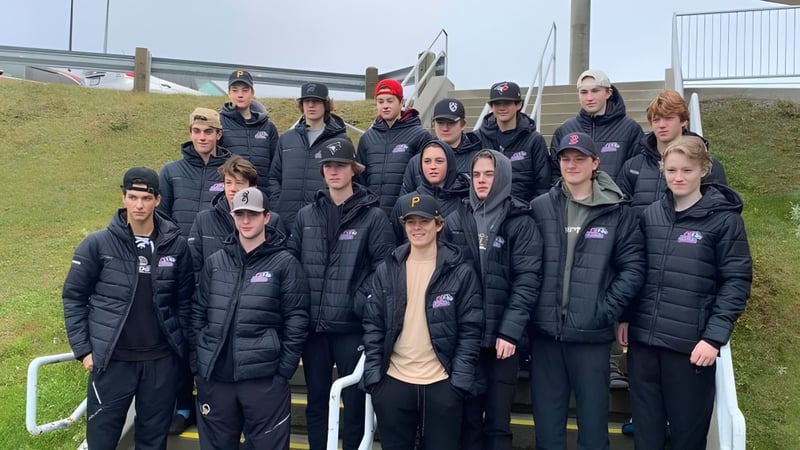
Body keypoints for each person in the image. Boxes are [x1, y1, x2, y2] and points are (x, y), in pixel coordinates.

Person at [618, 136, 752, 450]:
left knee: (687, 439)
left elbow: (736, 282)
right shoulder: (650, 215)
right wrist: (626, 317)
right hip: (644, 346)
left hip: (690, 350)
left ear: (704, 170)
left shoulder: (725, 221)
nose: (679, 177)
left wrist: (713, 338)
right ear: (662, 170)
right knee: (646, 438)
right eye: (672, 170)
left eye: (687, 170)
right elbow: (637, 270)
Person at [62, 167, 194, 450]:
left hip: (160, 363)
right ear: (123, 197)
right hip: (112, 362)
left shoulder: (176, 246)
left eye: (146, 198)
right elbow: (73, 297)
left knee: (152, 442)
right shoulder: (97, 245)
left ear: (158, 200)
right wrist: (84, 351)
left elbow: (184, 302)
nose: (139, 205)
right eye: (132, 197)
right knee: (101, 441)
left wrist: (179, 350)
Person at [528, 132, 646, 450]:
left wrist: (604, 310)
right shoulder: (540, 207)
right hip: (545, 336)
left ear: (595, 163)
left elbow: (633, 268)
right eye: (566, 158)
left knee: (593, 431)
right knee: (547, 431)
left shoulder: (617, 211)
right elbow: (527, 265)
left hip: (591, 337)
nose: (571, 164)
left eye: (579, 158)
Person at [287, 137, 394, 450]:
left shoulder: (373, 217)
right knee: (317, 399)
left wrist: (357, 303)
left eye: (340, 165)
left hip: (351, 327)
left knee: (354, 399)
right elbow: (291, 265)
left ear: (353, 170)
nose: (334, 171)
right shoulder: (307, 215)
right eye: (328, 165)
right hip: (315, 329)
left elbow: (383, 269)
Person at [363, 194, 484, 450]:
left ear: (439, 225)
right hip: (394, 381)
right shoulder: (388, 269)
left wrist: (458, 384)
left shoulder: (460, 271)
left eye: (424, 221)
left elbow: (470, 330)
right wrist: (375, 380)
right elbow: (373, 324)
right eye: (411, 222)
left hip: (441, 384)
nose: (417, 228)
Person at [191, 187, 309, 450]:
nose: (246, 221)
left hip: (264, 379)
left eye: (253, 214)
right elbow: (198, 314)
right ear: (232, 216)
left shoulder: (285, 263)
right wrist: (198, 363)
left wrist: (283, 371)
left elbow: (297, 320)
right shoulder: (215, 262)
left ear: (266, 217)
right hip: (216, 379)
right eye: (240, 213)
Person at [444, 150, 543, 450]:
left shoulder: (521, 220)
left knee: (498, 424)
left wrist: (509, 331)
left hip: (503, 341)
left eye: (489, 174)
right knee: (469, 420)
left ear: (502, 176)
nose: (482, 181)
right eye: (476, 175)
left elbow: (527, 279)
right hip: (466, 338)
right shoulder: (455, 218)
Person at [618, 89, 728, 212]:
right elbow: (620, 212)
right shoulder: (633, 166)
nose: (661, 125)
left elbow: (720, 211)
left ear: (683, 121)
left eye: (668, 118)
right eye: (656, 120)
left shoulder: (708, 166)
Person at [268, 82, 350, 229]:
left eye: (316, 101)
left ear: (326, 104)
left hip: (324, 222)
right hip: (286, 222)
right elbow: (274, 176)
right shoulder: (286, 139)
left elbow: (351, 179)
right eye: (307, 101)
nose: (311, 105)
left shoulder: (340, 141)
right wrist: (278, 204)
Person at [188, 155, 285, 274]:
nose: (233, 189)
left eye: (239, 183)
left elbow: (280, 264)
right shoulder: (203, 219)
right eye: (228, 182)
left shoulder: (272, 220)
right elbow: (193, 266)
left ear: (253, 187)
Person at [550, 70, 644, 182]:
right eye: (583, 92)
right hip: (573, 199)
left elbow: (638, 173)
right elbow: (554, 173)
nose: (589, 98)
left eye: (595, 91)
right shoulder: (565, 130)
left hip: (617, 199)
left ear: (609, 93)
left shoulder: (630, 129)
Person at [356, 78, 432, 216]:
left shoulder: (420, 135)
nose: (385, 106)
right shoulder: (367, 138)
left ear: (401, 102)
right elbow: (359, 180)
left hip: (407, 214)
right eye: (380, 101)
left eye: (390, 101)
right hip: (371, 216)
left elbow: (423, 180)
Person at [472, 81, 551, 203]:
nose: (502, 108)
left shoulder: (534, 140)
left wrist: (530, 212)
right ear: (491, 107)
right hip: (486, 211)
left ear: (519, 104)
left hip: (523, 212)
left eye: (507, 103)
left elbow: (543, 185)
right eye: (497, 103)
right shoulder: (478, 138)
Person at [158, 107, 231, 237]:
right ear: (190, 133)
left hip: (217, 251)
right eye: (197, 131)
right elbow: (161, 216)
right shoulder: (170, 171)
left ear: (218, 134)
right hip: (179, 250)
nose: (202, 137)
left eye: (208, 132)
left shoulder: (232, 172)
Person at [391, 139, 471, 243]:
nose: (432, 167)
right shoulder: (404, 203)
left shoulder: (465, 201)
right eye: (427, 161)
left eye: (439, 161)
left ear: (450, 163)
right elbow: (393, 244)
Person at [401, 98, 483, 193]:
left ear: (463, 124)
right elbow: (405, 201)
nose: (445, 128)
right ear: (433, 124)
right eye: (440, 122)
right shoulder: (416, 162)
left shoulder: (478, 160)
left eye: (451, 123)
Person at [219, 69, 279, 194]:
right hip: (231, 196)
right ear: (229, 93)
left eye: (245, 90)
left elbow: (276, 167)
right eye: (235, 90)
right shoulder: (219, 123)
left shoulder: (268, 127)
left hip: (262, 196)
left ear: (252, 92)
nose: (240, 95)